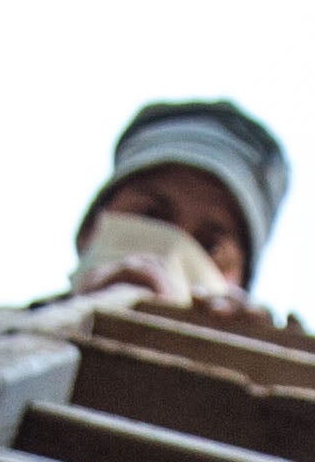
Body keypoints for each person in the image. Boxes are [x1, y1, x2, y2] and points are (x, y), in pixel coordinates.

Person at [67, 98, 293, 309]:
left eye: (210, 247)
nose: (168, 254)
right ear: (88, 230)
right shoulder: (32, 335)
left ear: (241, 288)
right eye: (150, 215)